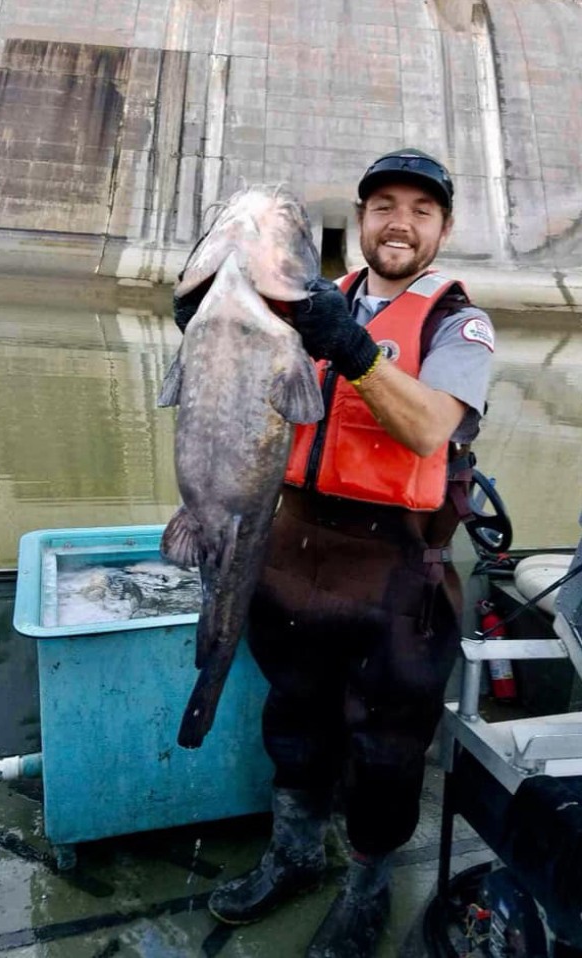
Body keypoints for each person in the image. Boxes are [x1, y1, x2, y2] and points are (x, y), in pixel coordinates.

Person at [173, 148, 495, 957]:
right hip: (290, 545)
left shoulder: (459, 322)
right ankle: (294, 855)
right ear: (359, 221)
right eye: (384, 205)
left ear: (443, 230)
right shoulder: (308, 297)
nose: (400, 222)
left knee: (386, 748)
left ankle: (366, 885)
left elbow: (429, 427)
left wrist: (351, 348)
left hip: (396, 571)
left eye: (421, 210)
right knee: (294, 719)